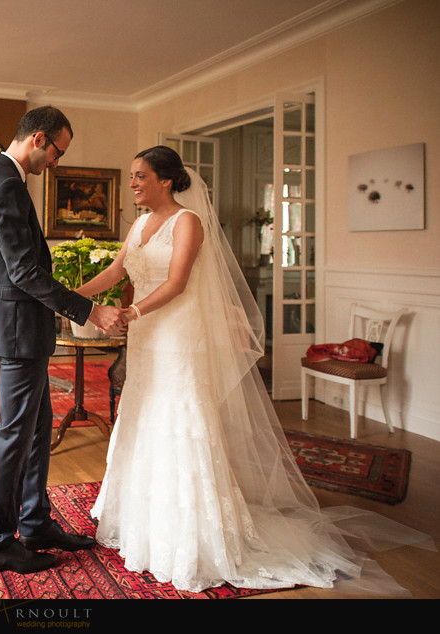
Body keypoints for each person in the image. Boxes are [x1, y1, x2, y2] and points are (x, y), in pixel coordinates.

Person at [77, 145, 431, 593]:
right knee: (145, 414)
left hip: (178, 336)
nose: (132, 183)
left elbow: (178, 282)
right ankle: (142, 521)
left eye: (140, 175)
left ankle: (189, 536)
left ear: (165, 180)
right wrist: (71, 296)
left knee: (179, 418)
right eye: (131, 175)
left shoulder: (188, 221)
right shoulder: (140, 224)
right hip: (148, 337)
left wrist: (131, 313)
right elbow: (116, 270)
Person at [0, 106, 124, 575]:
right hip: (16, 328)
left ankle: (36, 523)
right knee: (15, 435)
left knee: (38, 427)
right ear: (38, 138)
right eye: (57, 152)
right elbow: (23, 271)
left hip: (13, 324)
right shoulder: (6, 183)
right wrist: (90, 310)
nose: (57, 162)